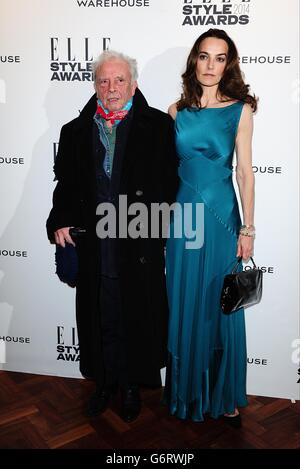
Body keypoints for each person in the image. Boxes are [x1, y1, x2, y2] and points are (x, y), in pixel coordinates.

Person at [46, 50, 178, 422]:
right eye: (104, 81)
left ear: (133, 84)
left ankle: (132, 384)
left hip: (137, 242)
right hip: (95, 244)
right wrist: (60, 218)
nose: (112, 88)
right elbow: (66, 186)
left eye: (120, 80)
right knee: (100, 313)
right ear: (95, 86)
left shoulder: (158, 127)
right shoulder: (73, 131)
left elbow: (169, 184)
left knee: (133, 312)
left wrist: (156, 230)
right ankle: (104, 382)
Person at [164, 29, 257, 427]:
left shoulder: (241, 110)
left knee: (220, 305)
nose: (210, 65)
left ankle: (221, 392)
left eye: (220, 58)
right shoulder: (175, 111)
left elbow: (246, 173)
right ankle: (187, 393)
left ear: (228, 63)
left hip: (222, 220)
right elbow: (165, 173)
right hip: (183, 219)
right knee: (185, 301)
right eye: (204, 56)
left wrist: (248, 229)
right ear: (194, 61)